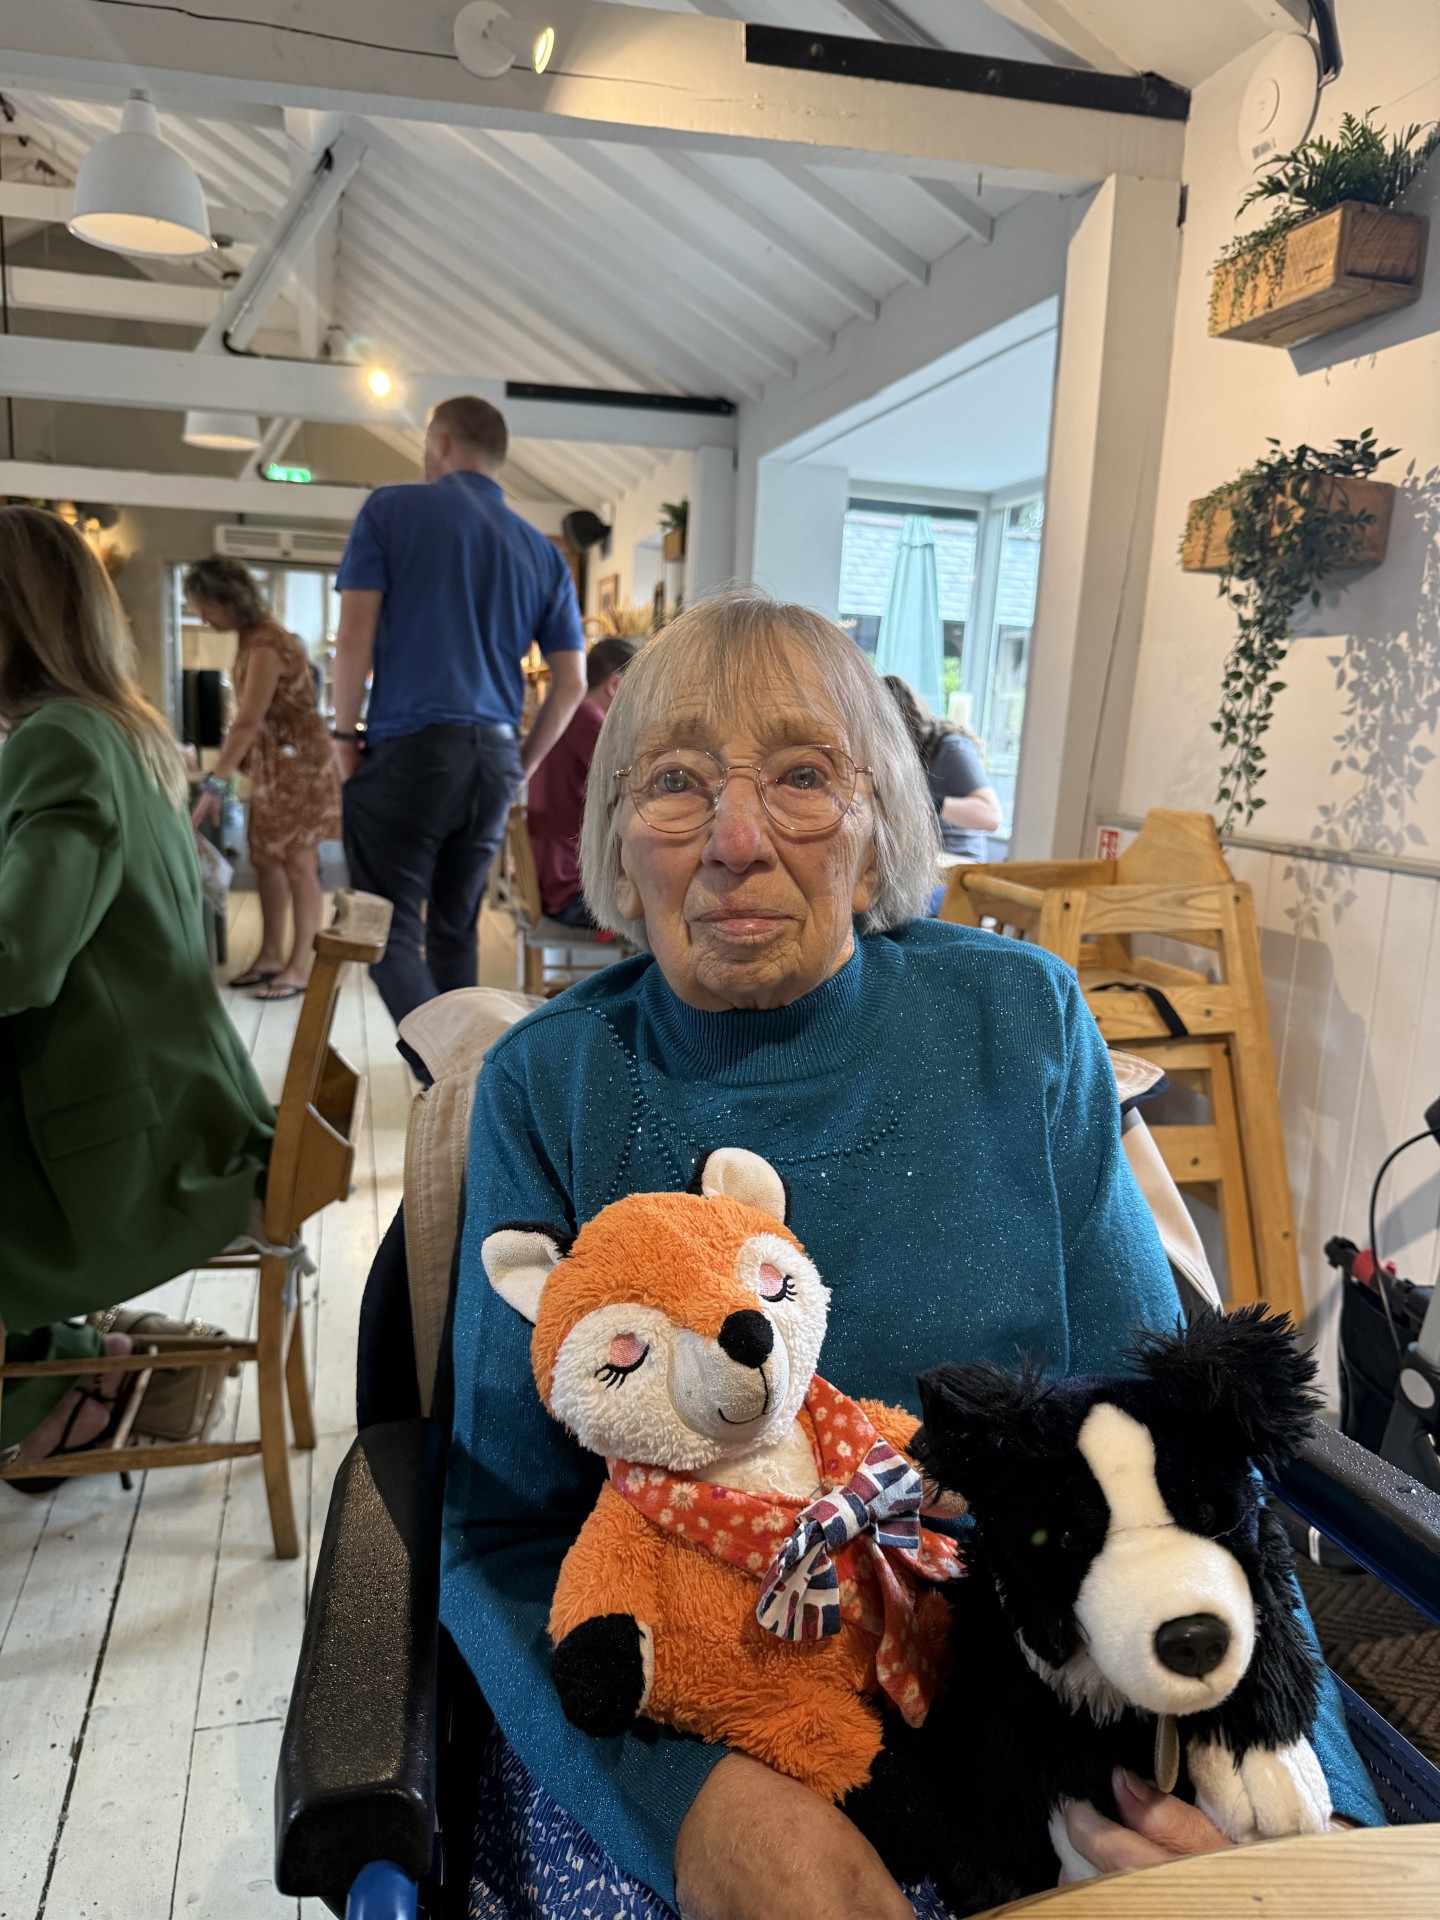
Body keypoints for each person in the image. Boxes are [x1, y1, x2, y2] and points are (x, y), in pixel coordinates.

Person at [441, 591, 1380, 1920]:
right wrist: (699, 1813)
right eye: (676, 785)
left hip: (1039, 1683)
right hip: (692, 1713)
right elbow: (498, 1535)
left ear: (882, 813)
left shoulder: (1019, 1023)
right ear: (612, 838)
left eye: (805, 776)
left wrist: (1292, 1792)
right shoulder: (554, 1089)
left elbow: (1172, 1456)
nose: (736, 840)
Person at [0, 508, 273, 1472]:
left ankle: (61, 1383)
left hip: (131, 1151)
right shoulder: (123, 729)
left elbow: (19, 959)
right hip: (176, 1105)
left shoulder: (56, 741)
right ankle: (75, 1366)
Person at [331, 394, 587, 1025]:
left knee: (388, 935)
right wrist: (519, 765)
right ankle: (470, 1100)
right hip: (493, 757)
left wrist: (342, 735)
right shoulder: (542, 551)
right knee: (454, 930)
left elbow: (354, 634)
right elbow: (574, 681)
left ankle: (456, 1082)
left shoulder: (391, 509)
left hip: (412, 750)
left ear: (440, 441)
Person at [184, 556, 342, 1000]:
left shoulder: (269, 643)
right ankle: (271, 955)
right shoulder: (250, 639)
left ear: (227, 599)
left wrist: (215, 784)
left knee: (298, 864)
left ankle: (300, 965)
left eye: (203, 607)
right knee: (267, 861)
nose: (202, 617)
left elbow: (247, 721)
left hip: (300, 767)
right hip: (276, 767)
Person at [525, 635, 638, 929]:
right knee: (663, 905)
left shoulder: (568, 713)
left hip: (550, 877)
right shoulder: (589, 719)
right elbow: (635, 785)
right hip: (570, 891)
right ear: (614, 685)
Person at [882, 673, 1002, 861]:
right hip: (921, 859)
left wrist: (929, 803)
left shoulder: (952, 748)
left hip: (956, 862)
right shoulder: (898, 757)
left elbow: (990, 816)